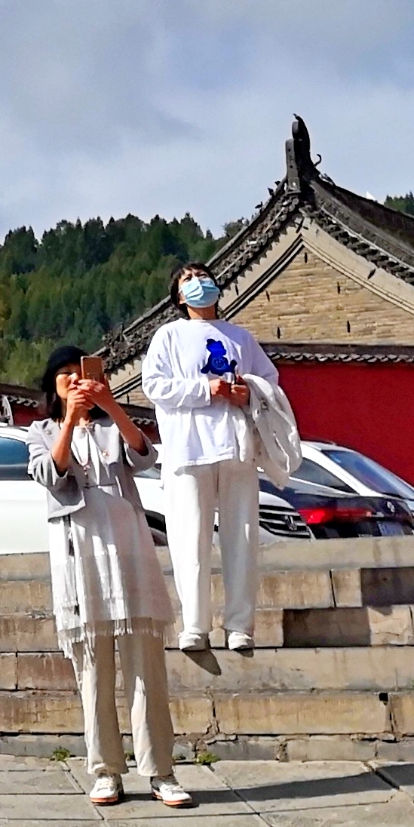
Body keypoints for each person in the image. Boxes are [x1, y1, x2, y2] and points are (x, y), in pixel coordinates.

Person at [26, 343, 195, 809]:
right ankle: (105, 769)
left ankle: (160, 770)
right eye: (63, 375)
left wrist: (110, 406)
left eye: (79, 372)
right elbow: (49, 472)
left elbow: (144, 457)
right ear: (52, 386)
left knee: (146, 666)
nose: (73, 380)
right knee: (94, 669)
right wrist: (69, 420)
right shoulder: (39, 431)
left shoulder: (108, 424)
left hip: (127, 543)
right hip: (79, 549)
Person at [142, 261, 279, 655]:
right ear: (179, 297)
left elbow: (268, 383)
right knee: (190, 538)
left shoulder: (240, 338)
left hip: (235, 445)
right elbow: (154, 385)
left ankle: (240, 625)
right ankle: (196, 624)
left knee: (242, 538)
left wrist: (246, 393)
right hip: (189, 447)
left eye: (203, 276)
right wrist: (207, 389)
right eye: (188, 280)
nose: (199, 283)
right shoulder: (169, 336)